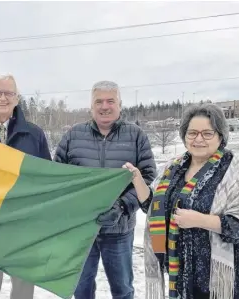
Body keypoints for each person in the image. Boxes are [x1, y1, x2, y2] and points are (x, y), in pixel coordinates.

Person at [124, 103, 239, 299]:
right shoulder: (173, 168)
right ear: (184, 136)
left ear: (220, 136)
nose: (199, 139)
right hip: (184, 274)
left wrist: (201, 220)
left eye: (207, 133)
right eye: (192, 133)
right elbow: (153, 208)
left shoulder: (237, 170)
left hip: (226, 280)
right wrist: (137, 179)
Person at [54, 80, 157, 299]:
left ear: (120, 104)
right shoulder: (73, 136)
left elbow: (146, 177)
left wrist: (122, 206)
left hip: (119, 231)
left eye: (110, 100)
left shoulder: (136, 135)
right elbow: (57, 177)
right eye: (98, 101)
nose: (104, 106)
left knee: (123, 290)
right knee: (81, 290)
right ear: (91, 106)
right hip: (81, 230)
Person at [0, 74, 51, 299]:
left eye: (9, 93)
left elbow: (47, 177)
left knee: (23, 288)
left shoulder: (34, 135)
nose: (3, 98)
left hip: (23, 225)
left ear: (17, 98)